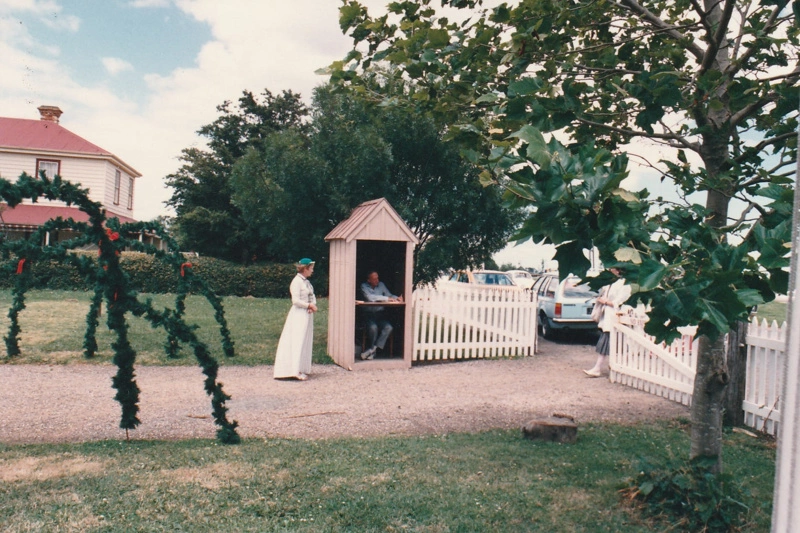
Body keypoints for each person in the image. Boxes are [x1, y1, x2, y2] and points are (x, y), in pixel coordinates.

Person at [274, 258, 318, 381]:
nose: (312, 271)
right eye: (311, 268)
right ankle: (293, 370)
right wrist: (308, 305)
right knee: (297, 340)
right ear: (305, 268)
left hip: (307, 314)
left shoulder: (307, 282)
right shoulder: (296, 282)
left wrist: (312, 305)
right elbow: (296, 301)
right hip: (298, 314)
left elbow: (312, 295)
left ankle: (301, 368)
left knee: (304, 340)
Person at [584, 267, 631, 377]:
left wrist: (605, 301)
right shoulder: (609, 283)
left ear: (618, 271)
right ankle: (609, 367)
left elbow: (619, 302)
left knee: (611, 342)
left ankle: (598, 368)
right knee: (613, 343)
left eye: (612, 268)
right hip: (608, 317)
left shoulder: (624, 284)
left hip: (616, 316)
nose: (610, 270)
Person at [359, 270, 402, 360]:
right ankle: (372, 349)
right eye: (374, 279)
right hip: (369, 315)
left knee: (389, 327)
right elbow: (370, 298)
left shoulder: (381, 285)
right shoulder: (364, 286)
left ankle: (372, 349)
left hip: (380, 315)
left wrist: (396, 298)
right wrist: (387, 299)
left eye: (377, 278)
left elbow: (389, 295)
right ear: (369, 280)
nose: (377, 281)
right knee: (373, 328)